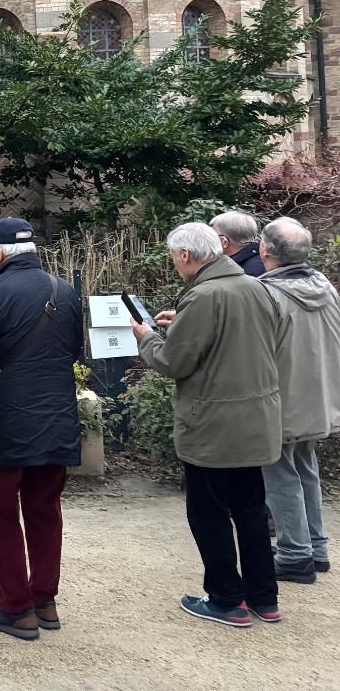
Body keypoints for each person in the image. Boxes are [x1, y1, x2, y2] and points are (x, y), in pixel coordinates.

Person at [129, 221, 282, 628]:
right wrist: (183, 322)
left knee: (208, 513)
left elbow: (173, 362)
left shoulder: (203, 295)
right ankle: (264, 597)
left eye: (174, 257)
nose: (174, 263)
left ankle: (227, 599)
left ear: (185, 255)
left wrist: (146, 337)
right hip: (256, 418)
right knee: (251, 510)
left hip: (213, 424)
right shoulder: (255, 286)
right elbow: (245, 339)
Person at [0, 218, 83, 641]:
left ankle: (16, 608)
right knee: (46, 510)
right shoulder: (64, 290)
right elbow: (74, 351)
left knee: (1, 511)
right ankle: (45, 601)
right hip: (57, 415)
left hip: (5, 418)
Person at [256, 217, 340, 584]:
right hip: (319, 397)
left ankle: (293, 554)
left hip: (279, 399)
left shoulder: (265, 293)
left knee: (279, 474)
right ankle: (316, 548)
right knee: (305, 467)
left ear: (265, 250)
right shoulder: (324, 285)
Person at [209, 211, 265, 276]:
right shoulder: (265, 259)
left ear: (224, 242)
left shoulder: (238, 273)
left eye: (211, 237)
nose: (208, 241)